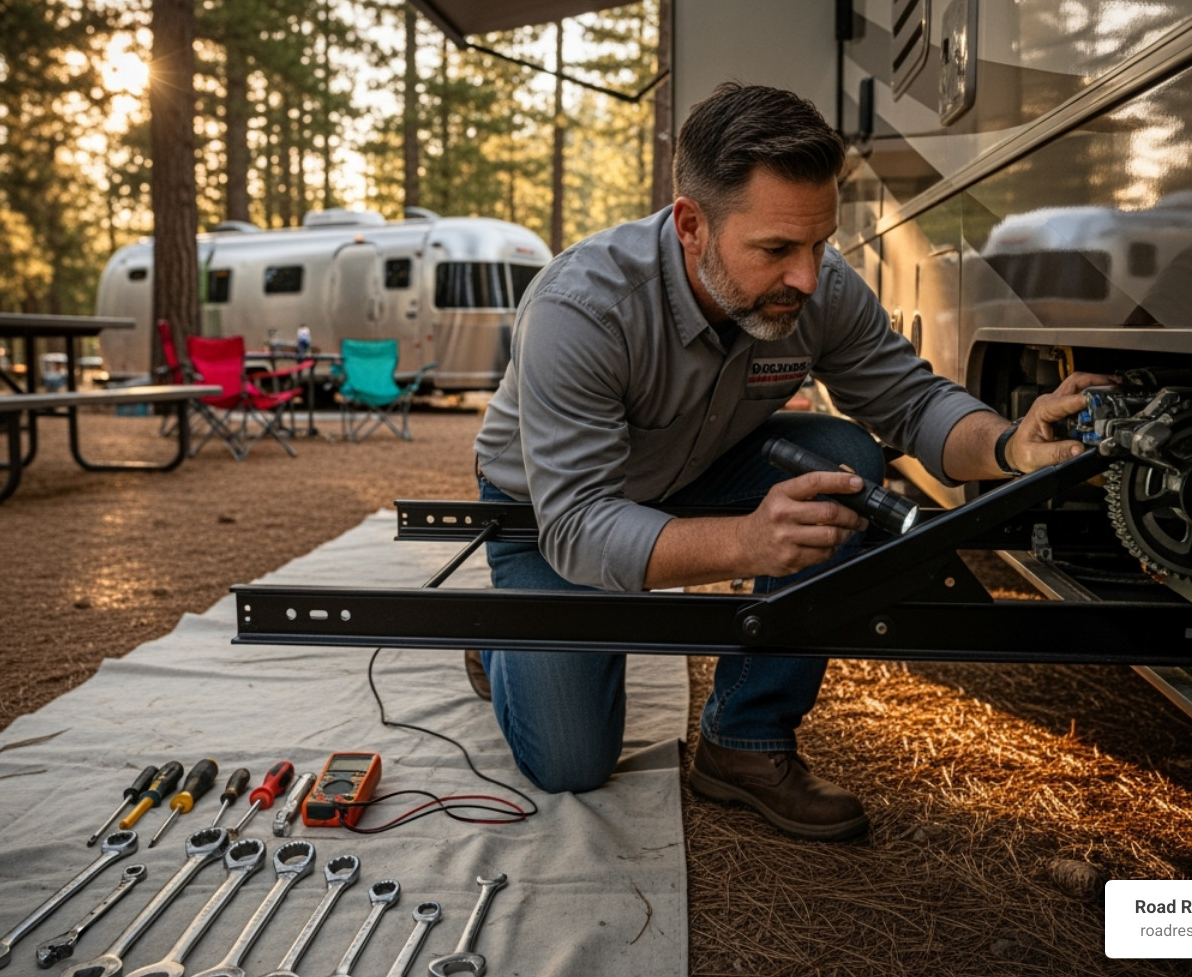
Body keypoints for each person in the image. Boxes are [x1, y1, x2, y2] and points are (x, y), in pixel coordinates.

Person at [470, 83, 1110, 841]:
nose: (807, 277)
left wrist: (1008, 444)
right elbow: (578, 525)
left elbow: (908, 401)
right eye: (776, 249)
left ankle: (743, 741)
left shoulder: (817, 284)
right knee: (571, 763)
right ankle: (496, 638)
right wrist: (745, 543)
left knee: (843, 457)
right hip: (547, 515)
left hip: (693, 471)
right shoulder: (583, 308)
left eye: (820, 244)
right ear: (690, 226)